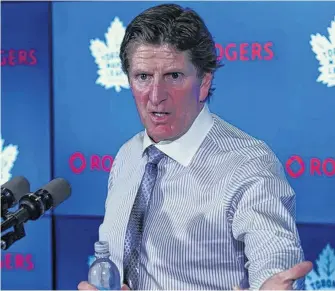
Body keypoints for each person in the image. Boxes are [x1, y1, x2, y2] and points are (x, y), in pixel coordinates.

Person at [79, 3, 312, 290]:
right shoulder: (127, 156)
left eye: (173, 76)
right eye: (143, 77)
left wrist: (273, 283)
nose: (155, 96)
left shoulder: (249, 165)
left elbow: (274, 262)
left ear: (203, 83)